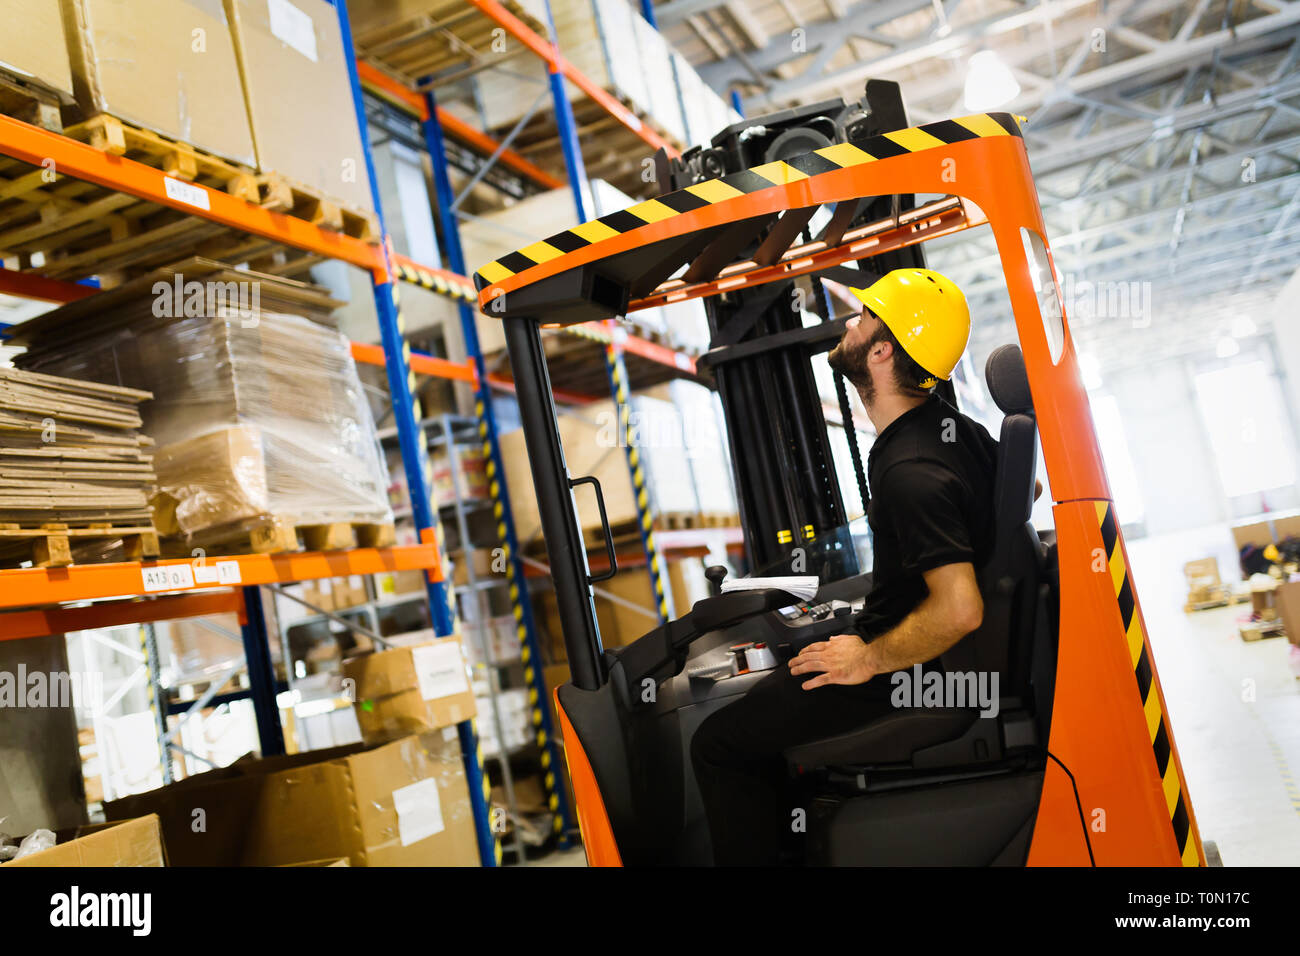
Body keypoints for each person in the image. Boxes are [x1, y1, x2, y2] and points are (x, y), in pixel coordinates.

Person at [690, 267, 1000, 866]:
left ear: (882, 351)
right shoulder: (960, 433)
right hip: (938, 661)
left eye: (862, 319)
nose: (849, 325)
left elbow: (960, 608)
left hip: (913, 675)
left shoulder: (911, 472)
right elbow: (1023, 492)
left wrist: (866, 656)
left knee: (717, 745)